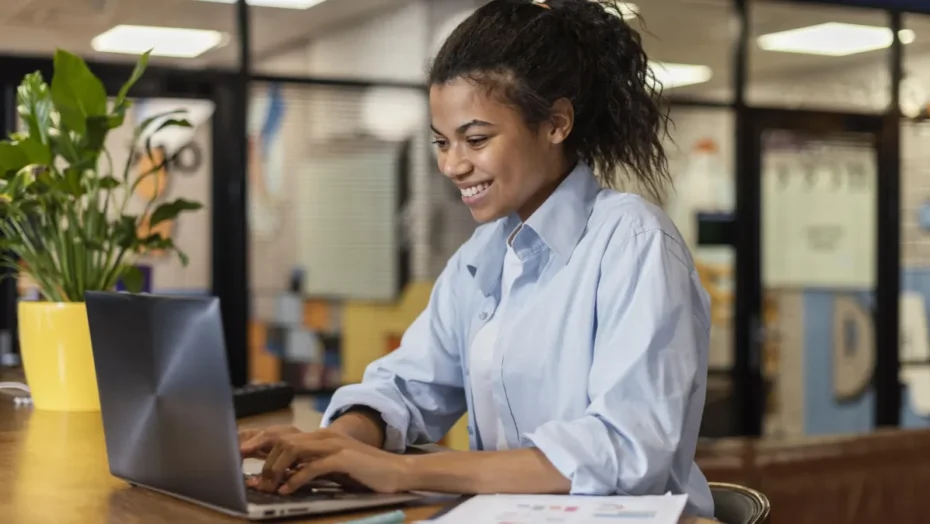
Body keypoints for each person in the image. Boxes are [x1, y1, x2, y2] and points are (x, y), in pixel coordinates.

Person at [239, 0, 714, 517]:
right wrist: (341, 443)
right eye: (442, 142)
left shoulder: (633, 242)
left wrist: (403, 471)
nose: (452, 164)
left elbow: (624, 451)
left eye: (476, 139)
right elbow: (406, 385)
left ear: (556, 123)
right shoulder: (483, 254)